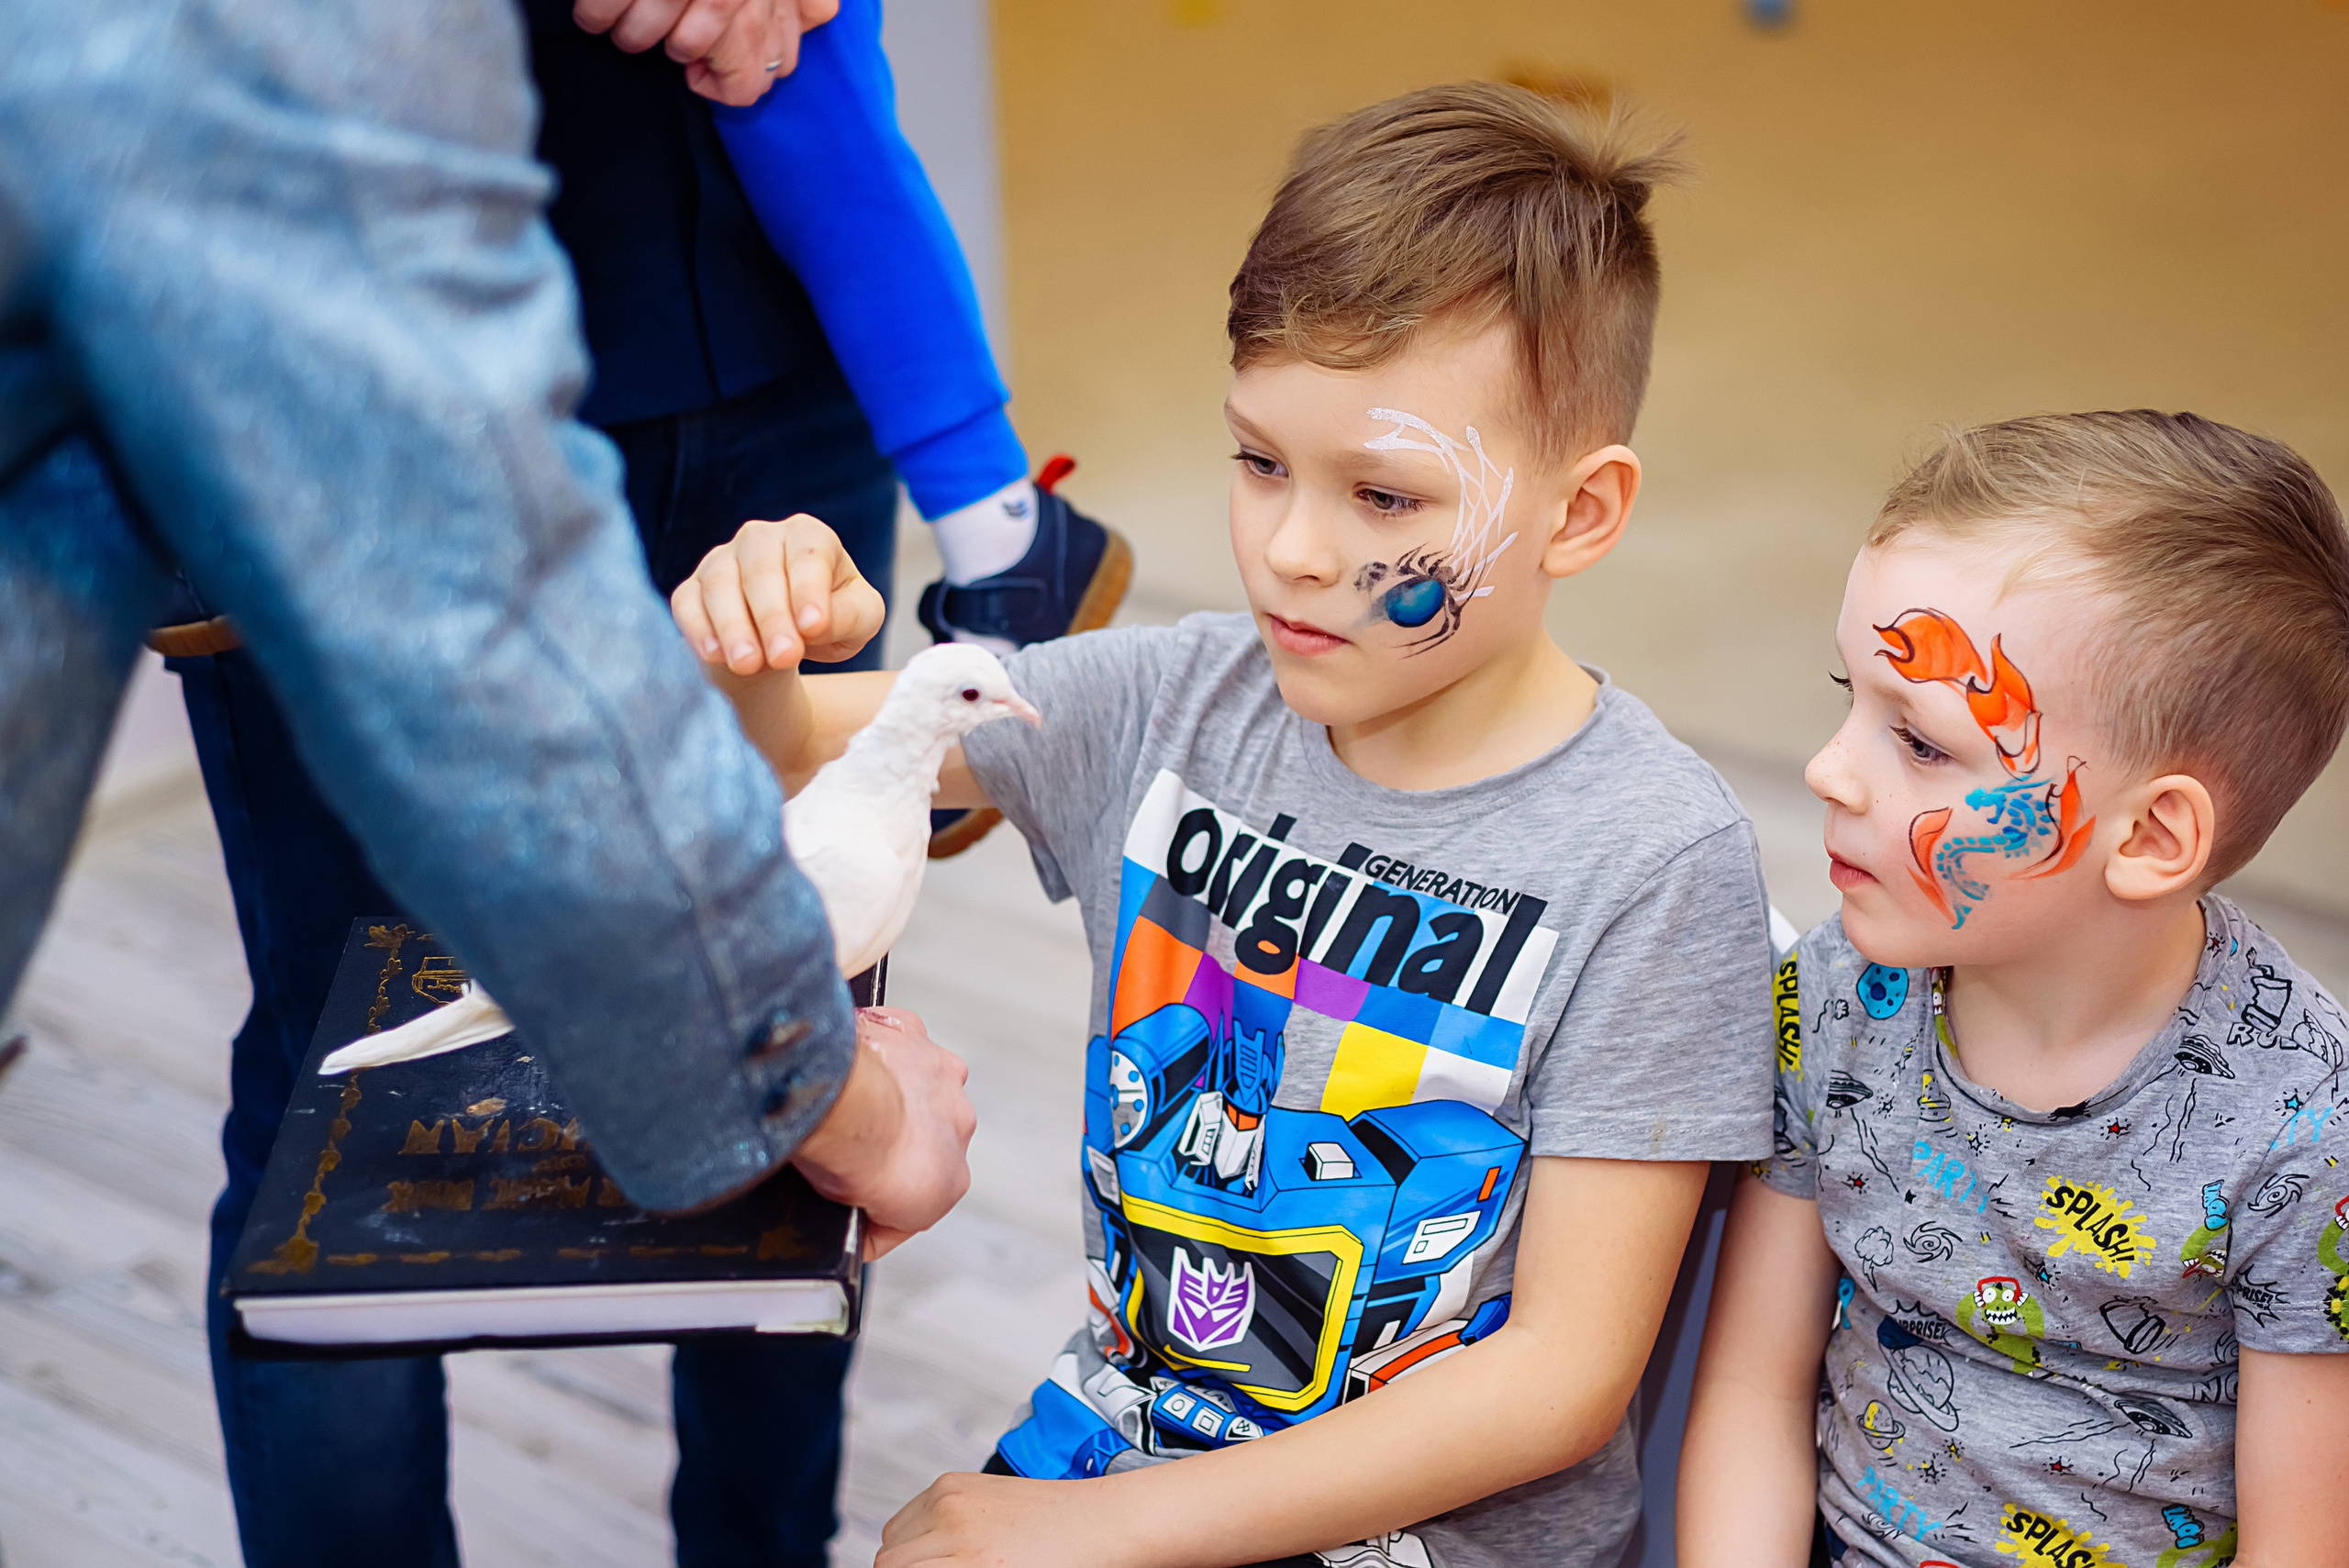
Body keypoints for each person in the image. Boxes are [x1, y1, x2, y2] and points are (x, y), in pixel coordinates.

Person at [673, 82, 1777, 1568]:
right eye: (1260, 459)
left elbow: (1560, 1383)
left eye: (1383, 493)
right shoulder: (1176, 697)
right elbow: (773, 761)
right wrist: (754, 643)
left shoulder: (1656, 858)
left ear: (1580, 515)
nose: (1292, 550)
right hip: (1121, 1435)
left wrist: (1104, 1534)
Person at [0, 4, 974, 1564]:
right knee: (351, 1070)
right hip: (344, 367)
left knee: (808, 1012)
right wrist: (829, 1089)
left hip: (767, 319)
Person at [1676, 412, 2349, 1567]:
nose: (1828, 767)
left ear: (2150, 836)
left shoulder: (2305, 1131)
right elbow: (1746, 1386)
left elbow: (2300, 1544)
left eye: (1923, 743)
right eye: (1851, 694)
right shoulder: (1837, 992)